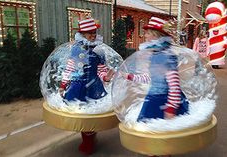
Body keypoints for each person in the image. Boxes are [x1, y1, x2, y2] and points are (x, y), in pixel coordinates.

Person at [123, 17, 189, 157]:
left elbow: (174, 85)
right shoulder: (155, 55)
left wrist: (171, 107)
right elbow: (151, 78)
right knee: (153, 139)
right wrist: (131, 77)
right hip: (153, 99)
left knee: (163, 141)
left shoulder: (167, 56)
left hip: (163, 101)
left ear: (156, 35)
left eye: (147, 33)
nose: (145, 35)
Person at [59, 18, 115, 155]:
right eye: (89, 33)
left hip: (93, 86)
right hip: (78, 86)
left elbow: (101, 69)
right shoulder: (76, 49)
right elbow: (70, 68)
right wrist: (64, 84)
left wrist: (105, 77)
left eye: (94, 33)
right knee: (82, 116)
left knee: (90, 115)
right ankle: (88, 138)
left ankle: (89, 140)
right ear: (82, 34)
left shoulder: (98, 50)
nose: (93, 36)